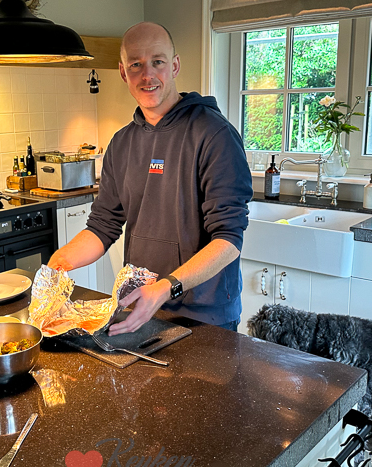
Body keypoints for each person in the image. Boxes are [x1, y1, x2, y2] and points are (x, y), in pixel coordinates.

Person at [47, 22, 252, 335]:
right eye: (136, 65)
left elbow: (228, 240)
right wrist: (60, 261)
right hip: (141, 309)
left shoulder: (214, 135)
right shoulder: (122, 143)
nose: (147, 75)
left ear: (175, 65)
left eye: (157, 62)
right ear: (122, 72)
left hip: (206, 317)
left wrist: (166, 287)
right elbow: (102, 226)